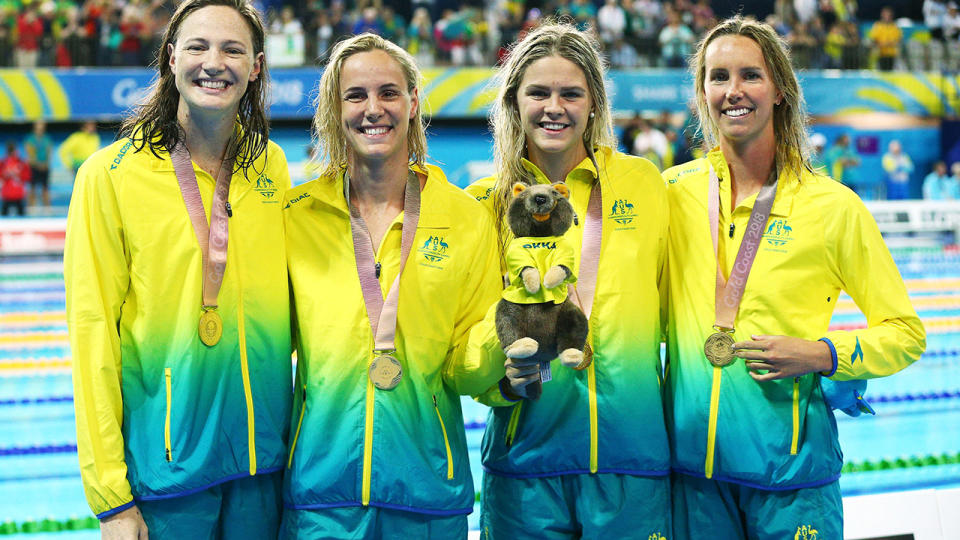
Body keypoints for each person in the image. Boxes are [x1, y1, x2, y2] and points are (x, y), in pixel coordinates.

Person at [662, 17, 925, 539]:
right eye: (718, 77)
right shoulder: (671, 193)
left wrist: (822, 355)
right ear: (701, 94)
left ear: (780, 89)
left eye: (749, 75)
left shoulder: (832, 207)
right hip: (692, 478)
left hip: (793, 477)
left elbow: (905, 332)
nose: (733, 91)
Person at [64, 0, 292, 537]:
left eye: (233, 49)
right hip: (166, 475)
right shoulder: (109, 176)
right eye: (197, 46)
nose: (214, 62)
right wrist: (111, 499)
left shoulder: (272, 168)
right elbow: (91, 333)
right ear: (170, 59)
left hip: (264, 472)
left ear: (256, 67)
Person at [280, 33, 503, 539]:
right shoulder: (296, 217)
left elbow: (474, 362)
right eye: (355, 96)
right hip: (319, 499)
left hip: (427, 493)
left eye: (388, 93)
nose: (372, 109)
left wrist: (514, 346)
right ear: (334, 110)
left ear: (412, 102)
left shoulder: (465, 218)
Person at [466, 22, 671, 539]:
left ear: (594, 104)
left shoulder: (643, 183)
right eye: (538, 92)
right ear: (514, 102)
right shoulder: (485, 203)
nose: (554, 106)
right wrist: (501, 388)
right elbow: (463, 340)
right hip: (526, 460)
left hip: (632, 459)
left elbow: (680, 304)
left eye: (570, 93)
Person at [24, 120, 53, 208]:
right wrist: (37, 164)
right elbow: (30, 153)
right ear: (35, 128)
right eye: (38, 127)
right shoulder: (30, 139)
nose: (40, 129)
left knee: (45, 189)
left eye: (42, 127)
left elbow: (49, 152)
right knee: (32, 188)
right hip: (34, 167)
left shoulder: (47, 138)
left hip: (44, 167)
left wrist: (46, 164)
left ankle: (47, 208)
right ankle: (30, 207)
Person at [1, 141, 30, 216]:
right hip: (7, 195)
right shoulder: (3, 163)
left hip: (18, 195)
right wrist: (7, 174)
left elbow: (27, 177)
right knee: (3, 219)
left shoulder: (21, 163)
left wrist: (18, 175)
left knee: (22, 219)